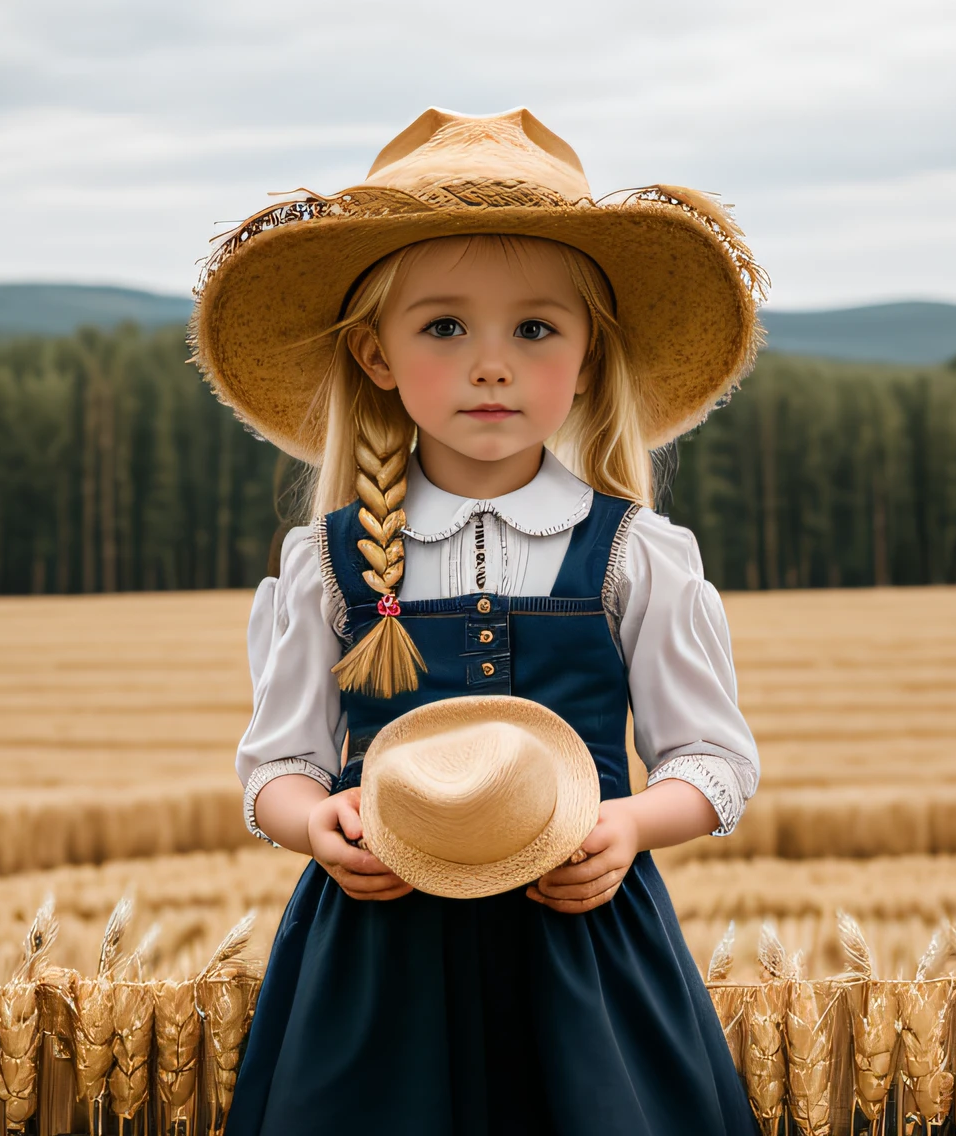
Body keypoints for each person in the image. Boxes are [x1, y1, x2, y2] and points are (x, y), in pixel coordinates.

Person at [193, 107, 765, 1135]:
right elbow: (274, 765)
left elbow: (712, 762)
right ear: (374, 355)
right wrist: (314, 825)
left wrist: (629, 824)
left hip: (583, 957)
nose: (489, 364)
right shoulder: (325, 565)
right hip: (374, 965)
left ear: (588, 358)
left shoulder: (636, 556)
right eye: (443, 326)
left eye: (534, 329)